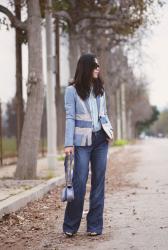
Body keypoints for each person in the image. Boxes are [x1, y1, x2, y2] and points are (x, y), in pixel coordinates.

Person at [63, 53, 113, 237]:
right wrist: (68, 143)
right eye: (95, 65)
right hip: (81, 143)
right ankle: (70, 225)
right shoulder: (71, 91)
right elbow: (70, 117)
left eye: (98, 66)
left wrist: (109, 131)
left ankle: (94, 226)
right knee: (79, 183)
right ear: (86, 68)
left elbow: (103, 113)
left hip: (101, 140)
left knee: (99, 182)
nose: (98, 68)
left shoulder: (100, 88)